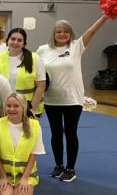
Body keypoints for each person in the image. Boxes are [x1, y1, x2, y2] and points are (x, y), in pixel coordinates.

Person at [36, 15, 109, 182]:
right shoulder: (42, 50)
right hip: (51, 99)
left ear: (70, 34)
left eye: (66, 31)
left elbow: (92, 31)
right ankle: (59, 165)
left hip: (72, 99)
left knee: (70, 132)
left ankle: (70, 168)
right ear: (53, 34)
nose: (62, 34)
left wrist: (106, 15)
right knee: (55, 133)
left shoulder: (76, 47)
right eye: (59, 31)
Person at [0, 93, 45, 195]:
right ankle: (1, 187)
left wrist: (25, 179)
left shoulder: (34, 126)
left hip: (25, 175)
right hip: (4, 174)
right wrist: (2, 177)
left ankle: (20, 188)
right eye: (8, 106)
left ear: (23, 107)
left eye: (16, 106)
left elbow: (33, 154)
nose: (11, 109)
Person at [0, 28, 46, 117]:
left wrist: (32, 108)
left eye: (19, 40)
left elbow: (41, 86)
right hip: (7, 108)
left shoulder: (35, 58)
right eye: (13, 39)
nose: (15, 42)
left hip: (28, 108)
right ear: (7, 41)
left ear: (24, 43)